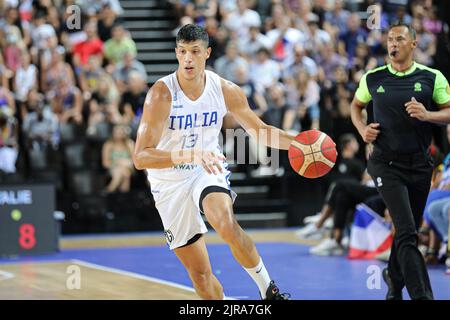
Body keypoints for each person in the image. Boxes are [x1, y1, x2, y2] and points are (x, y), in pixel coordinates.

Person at [133, 24, 296, 300]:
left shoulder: (225, 89)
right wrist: (189, 154)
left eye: (194, 52)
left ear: (206, 53)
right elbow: (141, 157)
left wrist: (298, 142)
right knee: (201, 279)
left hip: (204, 169)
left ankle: (268, 290)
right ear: (176, 53)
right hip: (168, 182)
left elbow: (260, 131)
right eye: (183, 52)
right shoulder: (161, 94)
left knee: (225, 221)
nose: (188, 58)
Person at [351, 23, 450, 300]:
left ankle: (393, 279)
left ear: (413, 44)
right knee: (407, 231)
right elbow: (355, 106)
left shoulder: (433, 77)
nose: (393, 44)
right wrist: (362, 130)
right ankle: (423, 296)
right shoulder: (374, 78)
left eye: (400, 39)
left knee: (408, 232)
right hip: (385, 164)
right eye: (390, 39)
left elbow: (449, 112)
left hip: (419, 165)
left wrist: (428, 115)